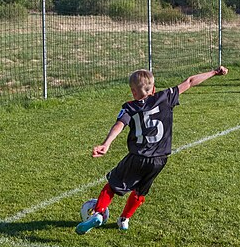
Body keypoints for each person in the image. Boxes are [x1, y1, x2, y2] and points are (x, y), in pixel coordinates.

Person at [75, 66, 228, 235]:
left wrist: (106, 144)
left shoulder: (129, 107)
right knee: (141, 191)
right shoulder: (165, 97)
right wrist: (214, 72)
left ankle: (98, 213)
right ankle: (124, 220)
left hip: (138, 156)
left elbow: (119, 125)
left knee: (111, 186)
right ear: (153, 88)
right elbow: (190, 81)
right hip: (160, 159)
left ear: (133, 92)